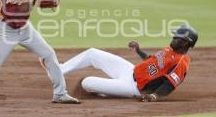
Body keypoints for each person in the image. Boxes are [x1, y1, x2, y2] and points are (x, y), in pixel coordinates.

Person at [59, 25, 198, 102]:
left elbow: (170, 84)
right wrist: (138, 51)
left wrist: (154, 96)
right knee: (92, 53)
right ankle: (59, 69)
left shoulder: (182, 62)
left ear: (186, 42)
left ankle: (109, 93)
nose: (173, 39)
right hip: (130, 71)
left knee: (87, 82)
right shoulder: (170, 49)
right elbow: (153, 61)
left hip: (133, 88)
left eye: (177, 38)